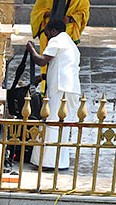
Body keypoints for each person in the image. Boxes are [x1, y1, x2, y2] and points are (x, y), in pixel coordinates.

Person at [28, 17, 83, 171]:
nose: (47, 38)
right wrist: (43, 77)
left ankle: (48, 163)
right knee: (62, 126)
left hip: (61, 89)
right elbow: (61, 66)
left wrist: (31, 48)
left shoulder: (57, 40)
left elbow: (41, 61)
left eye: (47, 34)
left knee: (52, 123)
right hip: (71, 88)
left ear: (53, 31)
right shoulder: (71, 44)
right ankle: (60, 162)